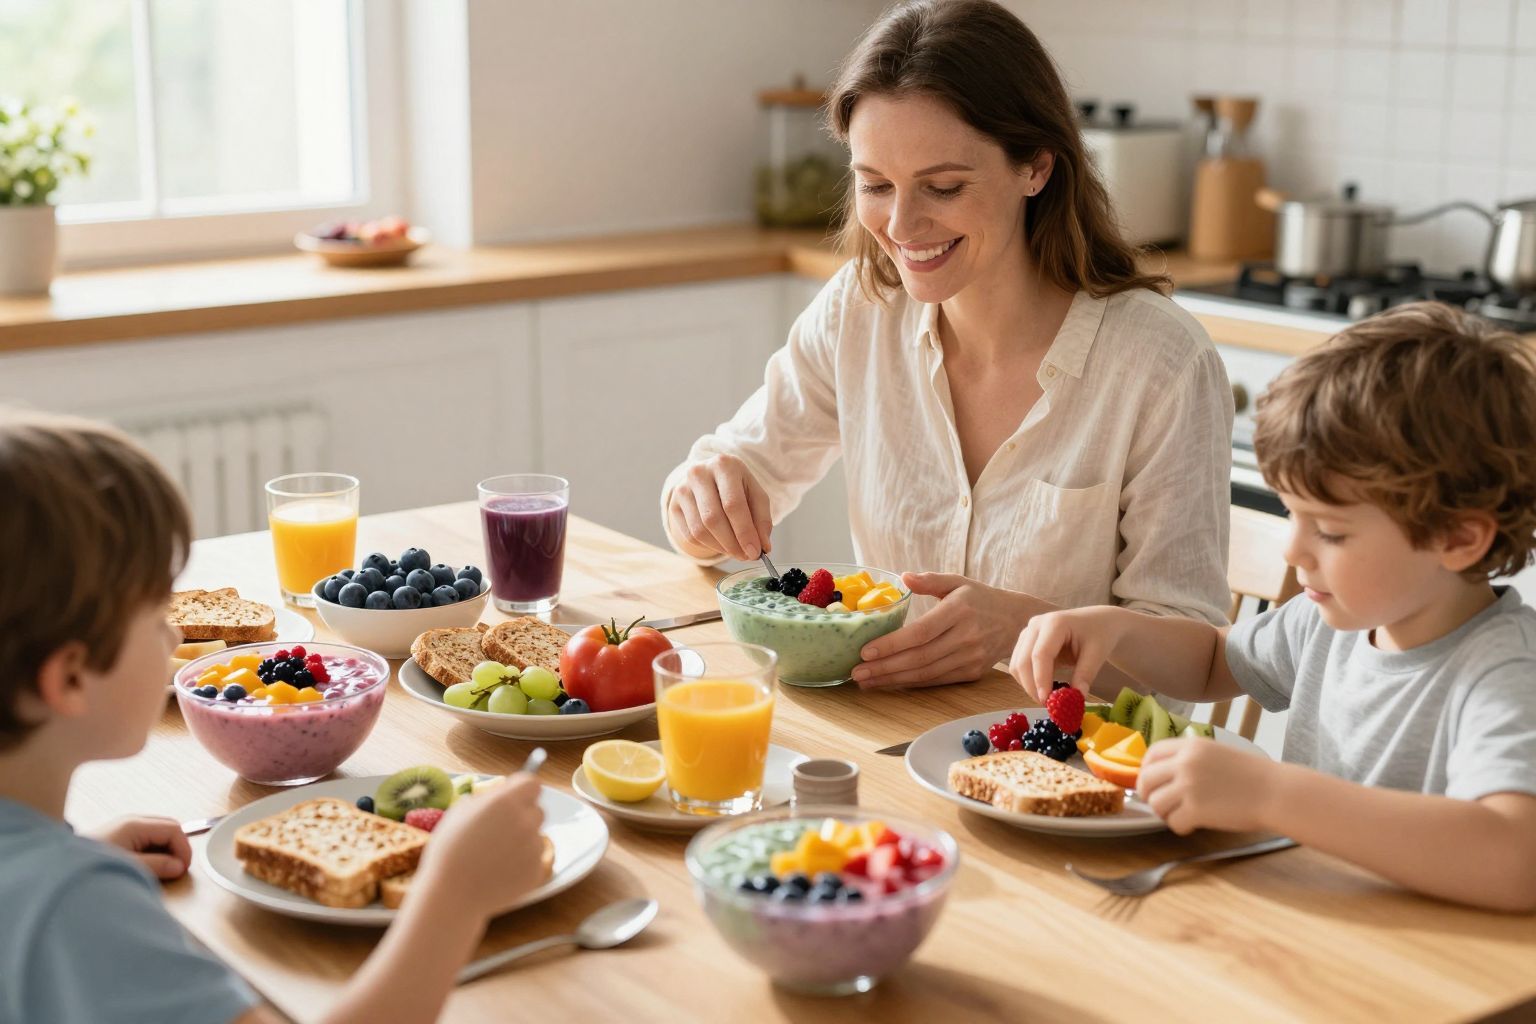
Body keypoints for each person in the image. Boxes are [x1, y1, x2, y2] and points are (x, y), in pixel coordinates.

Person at [661, 0, 1233, 689]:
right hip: (890, 736)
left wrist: (1027, 629)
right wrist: (700, 500)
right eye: (874, 184)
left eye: (943, 186)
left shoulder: (1159, 365)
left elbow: (1192, 663)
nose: (902, 224)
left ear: (1036, 168)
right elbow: (725, 481)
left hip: (1078, 772)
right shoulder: (859, 310)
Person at [0, 411, 549, 1024]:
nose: (178, 633)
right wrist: (455, 899)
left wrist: (74, 861)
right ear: (70, 678)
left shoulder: (56, 892)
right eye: (158, 617)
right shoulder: (78, 910)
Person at [1010, 303, 1536, 911]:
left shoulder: (1505, 673)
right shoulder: (1329, 620)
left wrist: (1273, 796)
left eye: (1332, 532)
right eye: (1292, 516)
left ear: (1458, 537)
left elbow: (1515, 857)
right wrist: (1115, 629)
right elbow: (1211, 664)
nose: (1295, 550)